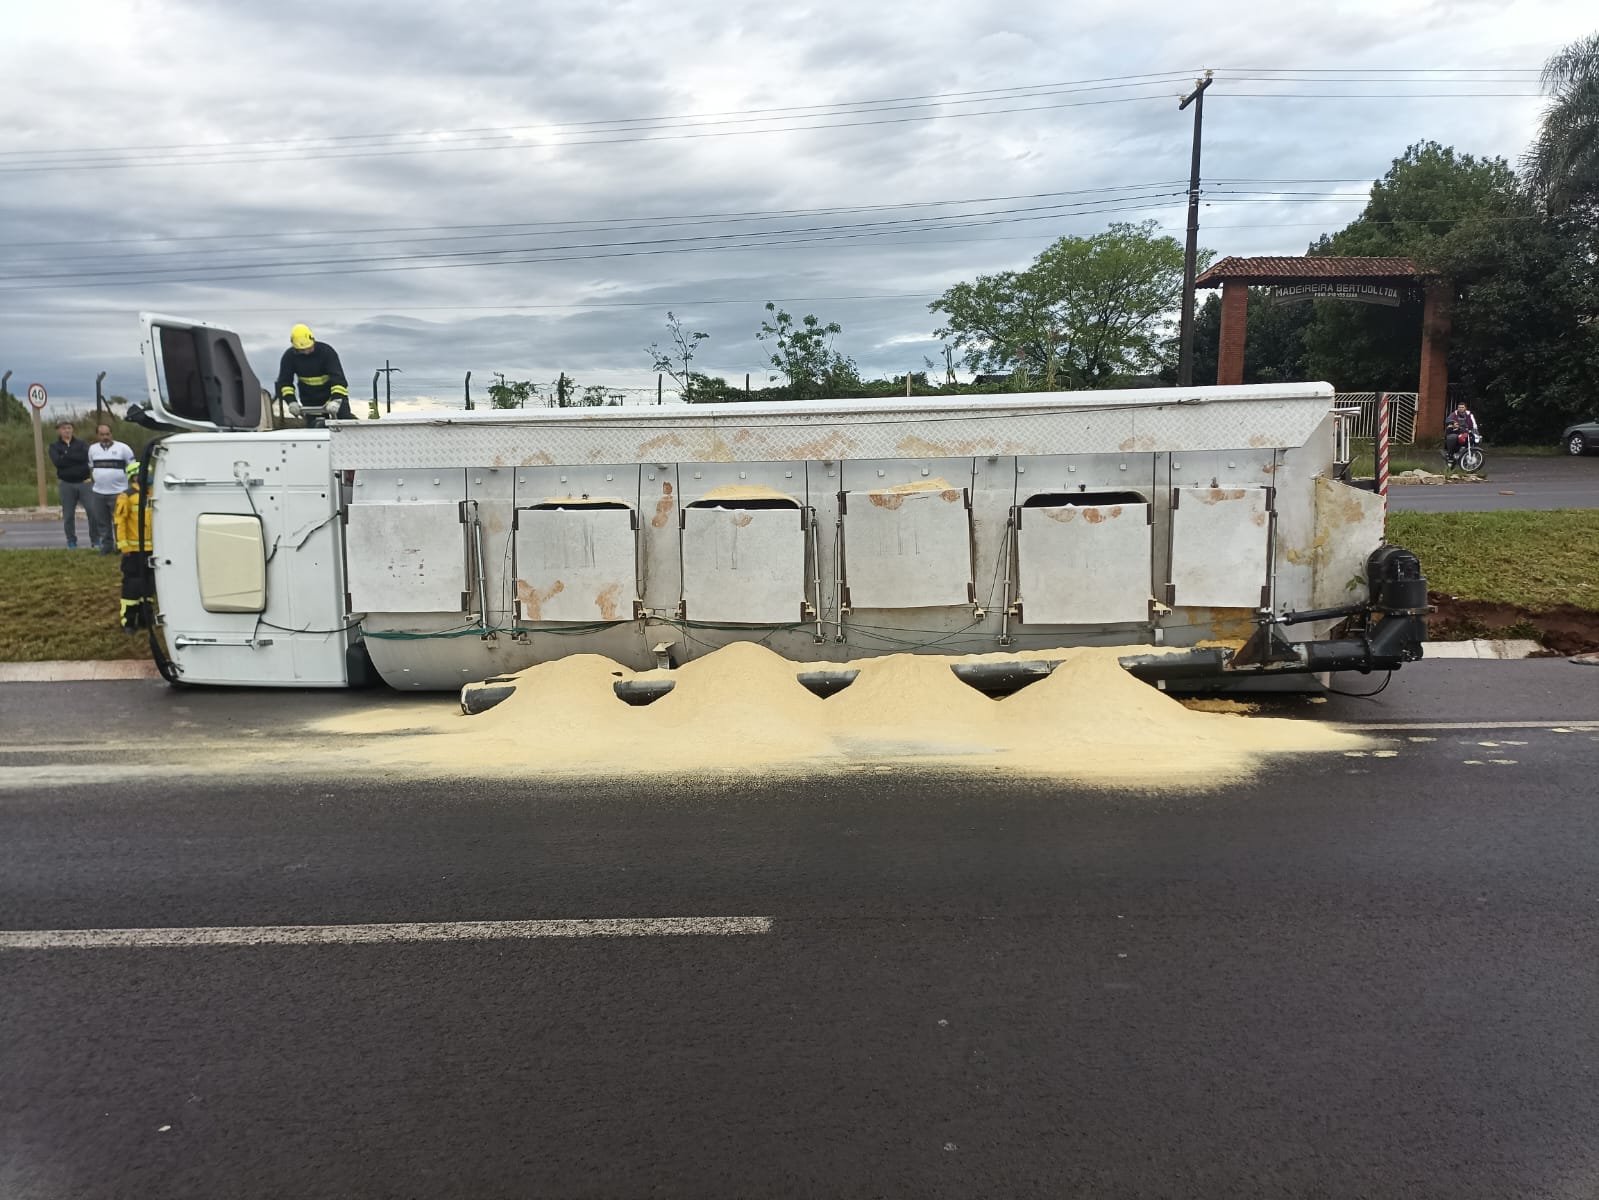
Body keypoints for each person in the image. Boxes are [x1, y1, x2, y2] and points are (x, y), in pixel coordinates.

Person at [275, 323, 351, 424]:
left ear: (313, 340)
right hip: (310, 400)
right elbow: (285, 383)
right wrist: (291, 402)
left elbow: (338, 379)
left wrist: (336, 400)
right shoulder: (289, 357)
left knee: (344, 426)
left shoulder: (326, 352)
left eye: (309, 348)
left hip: (335, 398)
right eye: (302, 350)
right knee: (316, 428)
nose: (306, 352)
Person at [114, 460, 155, 632]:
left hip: (151, 550)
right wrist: (124, 546)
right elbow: (120, 522)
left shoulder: (153, 495)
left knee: (149, 585)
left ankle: (146, 617)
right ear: (135, 476)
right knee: (132, 586)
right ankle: (129, 621)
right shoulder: (127, 496)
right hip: (133, 551)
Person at [87, 423, 135, 554]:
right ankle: (106, 546)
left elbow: (132, 468)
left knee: (119, 522)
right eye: (102, 434)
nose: (105, 437)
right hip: (99, 492)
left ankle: (121, 546)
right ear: (97, 435)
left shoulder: (123, 448)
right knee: (102, 522)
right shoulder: (92, 449)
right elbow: (92, 467)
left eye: (107, 434)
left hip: (118, 492)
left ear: (111, 434)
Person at [47, 419, 93, 549]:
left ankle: (95, 540)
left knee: (92, 512)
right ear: (59, 430)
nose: (66, 430)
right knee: (68, 515)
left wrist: (66, 456)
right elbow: (58, 462)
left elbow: (85, 457)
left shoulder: (82, 444)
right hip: (66, 484)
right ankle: (71, 541)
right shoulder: (54, 446)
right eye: (63, 428)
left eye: (68, 428)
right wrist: (73, 458)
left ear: (72, 429)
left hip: (84, 483)